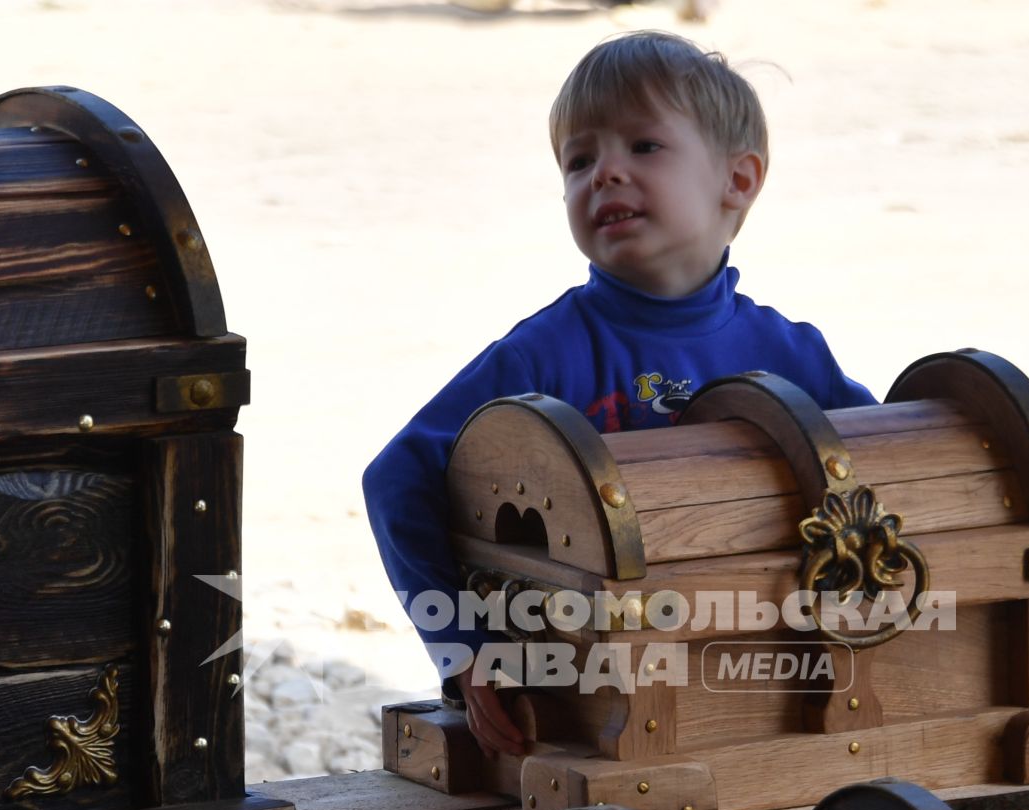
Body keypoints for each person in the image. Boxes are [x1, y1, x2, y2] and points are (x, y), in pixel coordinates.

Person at [363, 29, 876, 755]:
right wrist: (467, 652)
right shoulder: (542, 357)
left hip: (767, 699)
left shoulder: (794, 357)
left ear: (738, 180)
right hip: (591, 713)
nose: (603, 173)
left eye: (643, 147)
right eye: (579, 160)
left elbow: (896, 471)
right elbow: (397, 477)